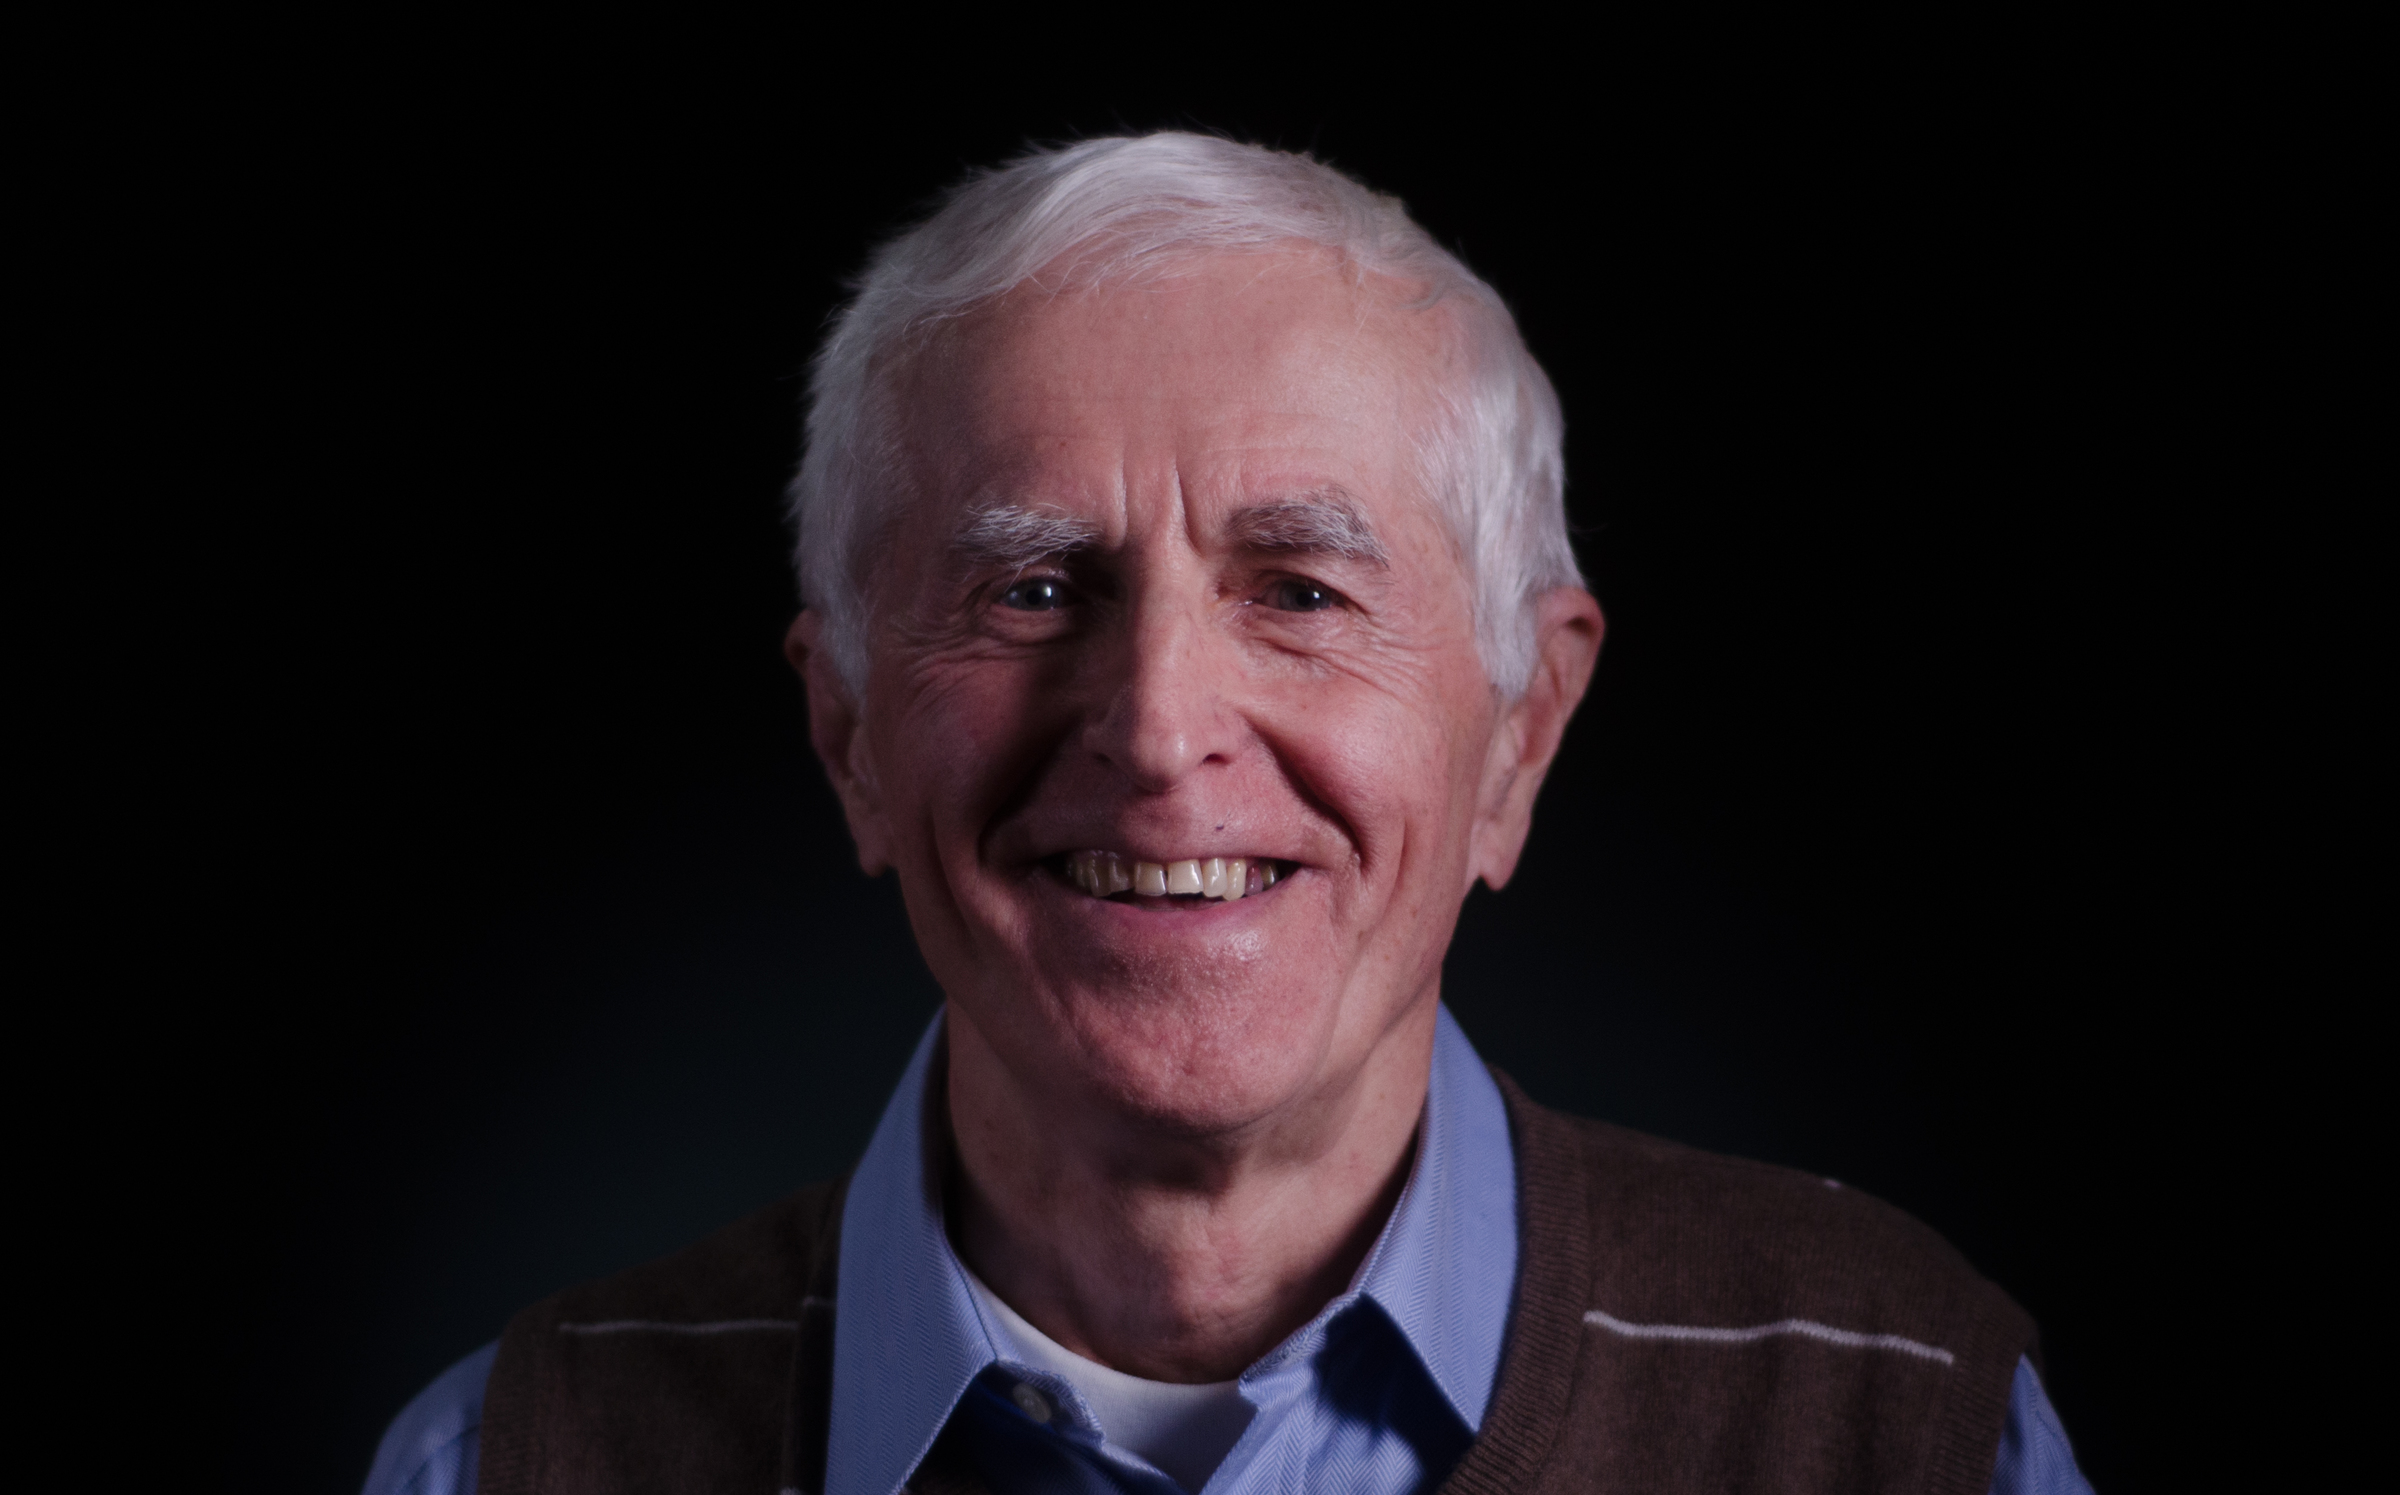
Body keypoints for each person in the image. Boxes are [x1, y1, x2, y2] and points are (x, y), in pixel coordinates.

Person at [364, 133, 2092, 1495]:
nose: (1159, 728)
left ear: (1519, 734)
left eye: (1302, 592)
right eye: (1036, 588)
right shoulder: (502, 1465)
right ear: (849, 738)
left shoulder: (1906, 1422)